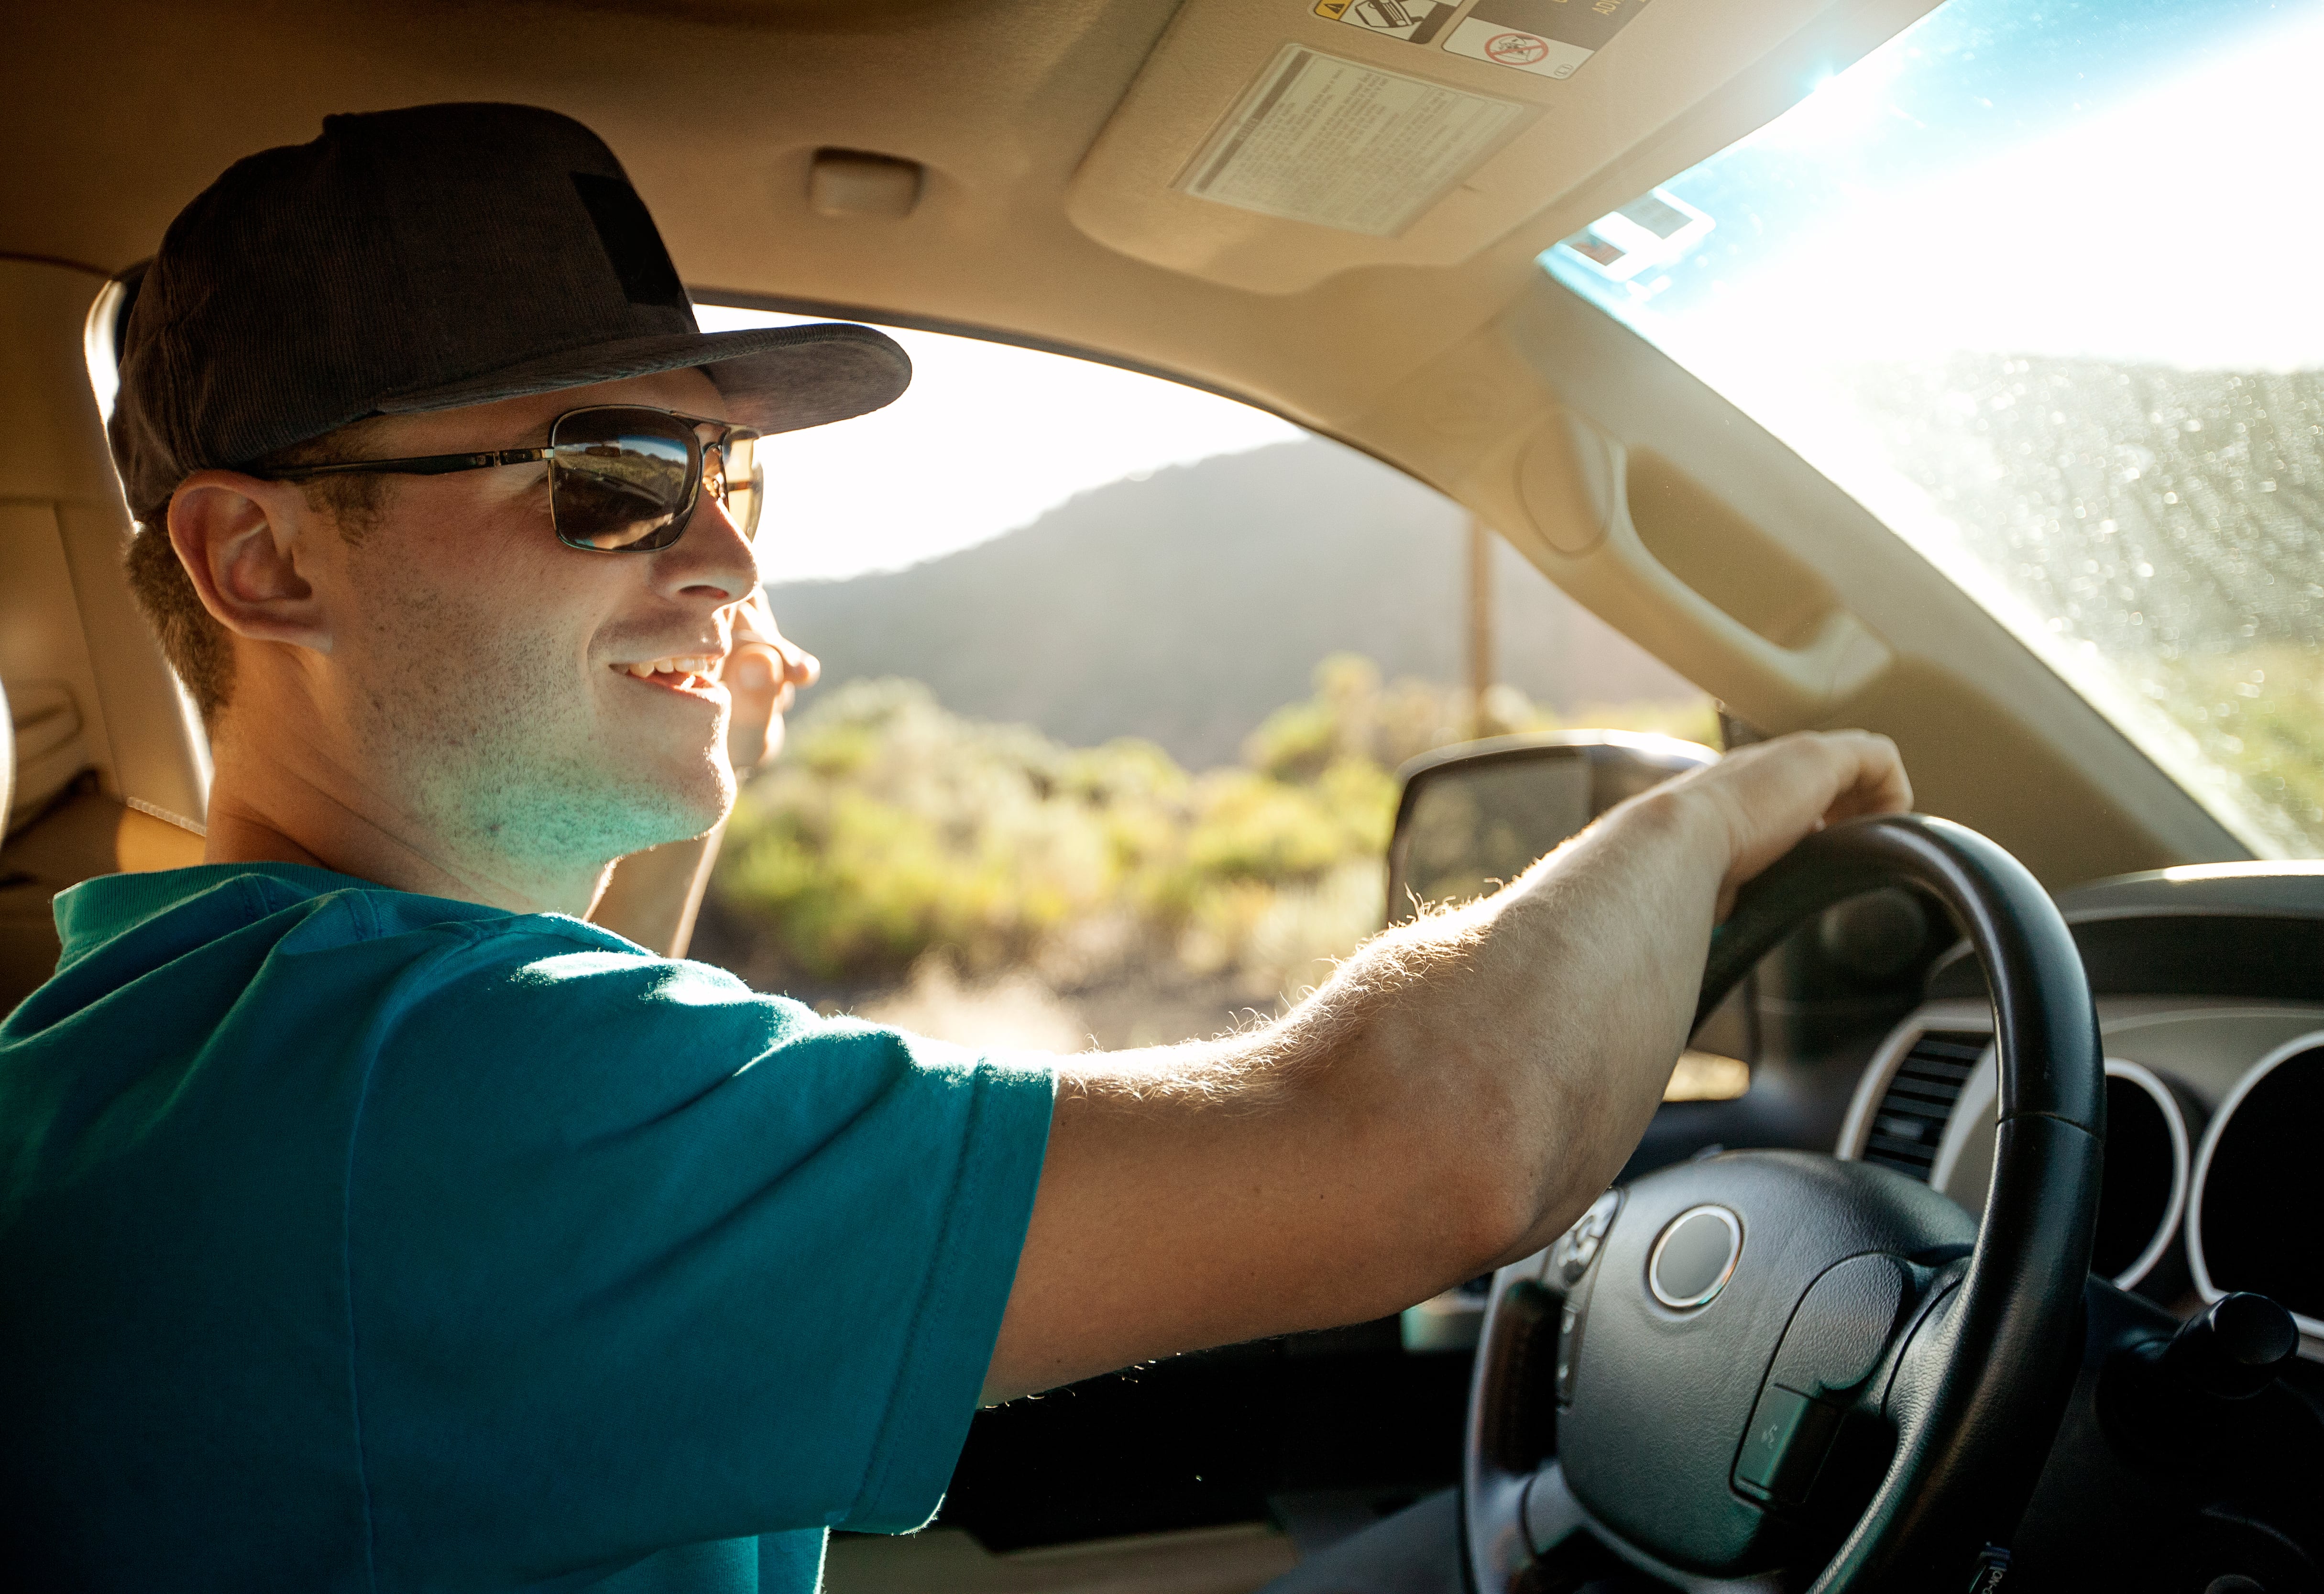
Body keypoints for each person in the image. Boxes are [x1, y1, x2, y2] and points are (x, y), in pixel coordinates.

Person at [0, 104, 1909, 1591]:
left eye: (724, 476)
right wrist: (1713, 809)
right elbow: (1428, 1144)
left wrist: (681, 761)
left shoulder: (175, 1037)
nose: (730, 556)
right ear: (264, 561)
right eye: (612, 481)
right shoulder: (428, 1095)